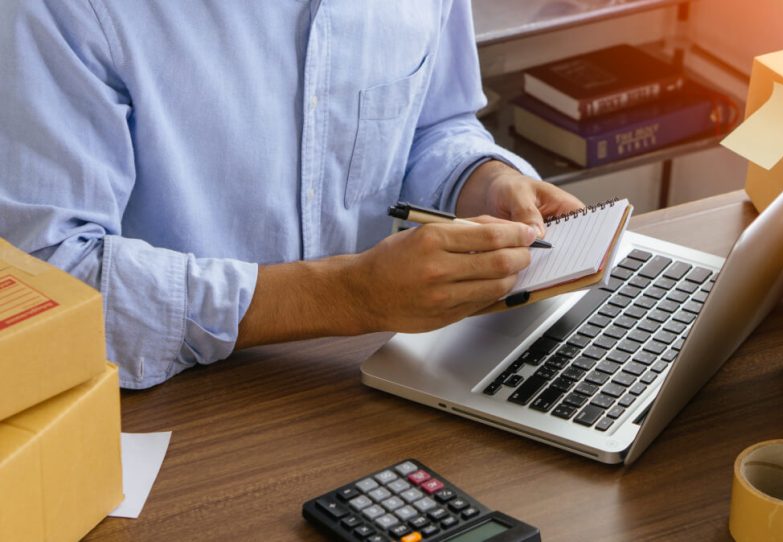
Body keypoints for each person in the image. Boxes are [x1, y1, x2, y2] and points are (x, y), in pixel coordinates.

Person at [0, 1, 583, 388]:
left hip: (366, 378)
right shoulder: (59, 10)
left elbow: (431, 123)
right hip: (162, 406)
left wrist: (485, 178)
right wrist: (345, 297)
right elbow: (48, 281)